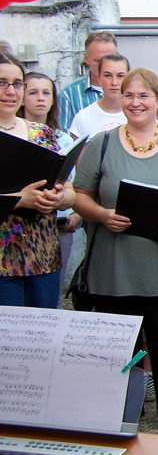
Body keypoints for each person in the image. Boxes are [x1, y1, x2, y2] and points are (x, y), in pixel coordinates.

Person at [73, 67, 158, 437]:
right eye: (129, 95)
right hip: (115, 265)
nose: (136, 102)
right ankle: (119, 407)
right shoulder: (100, 144)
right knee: (120, 345)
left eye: (144, 96)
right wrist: (102, 214)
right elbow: (79, 194)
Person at [0, 53, 76, 308]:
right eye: (2, 82)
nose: (11, 91)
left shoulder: (42, 133)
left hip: (43, 253)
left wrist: (59, 197)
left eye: (17, 83)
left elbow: (70, 190)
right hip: (2, 258)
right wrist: (20, 199)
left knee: (42, 339)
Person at [18, 72, 81, 298]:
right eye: (33, 92)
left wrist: (68, 205)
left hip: (51, 228)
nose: (40, 98)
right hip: (13, 230)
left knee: (47, 301)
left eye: (46, 93)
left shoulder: (60, 138)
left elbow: (73, 186)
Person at [59, 31, 158, 128]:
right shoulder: (70, 95)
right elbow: (65, 136)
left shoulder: (133, 88)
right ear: (86, 59)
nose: (106, 63)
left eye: (111, 57)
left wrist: (136, 115)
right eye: (99, 60)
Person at [69, 53, 129, 139]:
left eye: (120, 76)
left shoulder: (140, 114)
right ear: (99, 79)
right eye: (107, 75)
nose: (114, 82)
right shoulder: (83, 118)